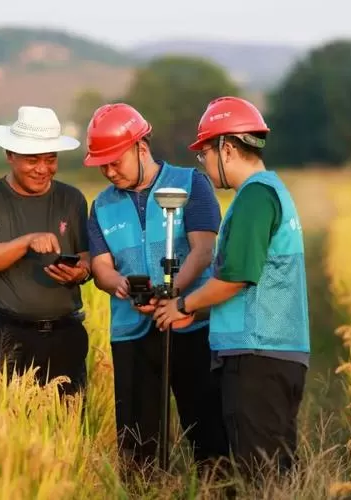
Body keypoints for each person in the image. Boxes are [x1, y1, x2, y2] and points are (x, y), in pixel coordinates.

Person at [153, 96, 311, 481]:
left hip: (258, 353)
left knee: (261, 476)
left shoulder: (255, 197)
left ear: (227, 147)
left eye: (204, 153)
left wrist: (183, 305)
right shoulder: (268, 192)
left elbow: (234, 279)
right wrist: (186, 306)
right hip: (271, 350)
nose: (203, 165)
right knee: (274, 472)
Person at [82, 103, 229, 471]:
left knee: (208, 426)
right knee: (137, 440)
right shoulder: (101, 205)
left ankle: (216, 490)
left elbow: (203, 249)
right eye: (102, 164)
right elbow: (101, 267)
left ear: (141, 147)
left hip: (191, 322)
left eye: (115, 161)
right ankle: (145, 490)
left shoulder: (191, 183)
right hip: (132, 331)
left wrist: (173, 294)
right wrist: (118, 284)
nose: (108, 171)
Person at [0, 105, 92, 400]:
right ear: (10, 155)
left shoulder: (71, 199)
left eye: (50, 159)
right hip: (8, 334)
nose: (43, 169)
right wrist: (27, 241)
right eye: (32, 160)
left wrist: (81, 271)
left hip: (66, 333)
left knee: (68, 425)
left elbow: (87, 258)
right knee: (7, 425)